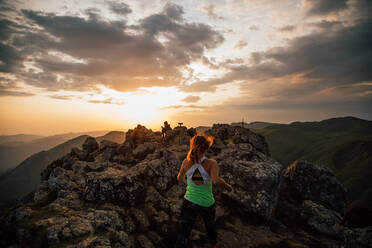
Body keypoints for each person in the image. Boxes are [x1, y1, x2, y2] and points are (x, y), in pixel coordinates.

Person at [175, 133, 233, 248]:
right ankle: (213, 245)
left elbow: (179, 178)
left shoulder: (186, 162)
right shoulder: (212, 163)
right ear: (206, 147)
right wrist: (228, 187)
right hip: (206, 203)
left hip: (189, 201)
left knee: (184, 231)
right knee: (210, 226)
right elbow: (216, 181)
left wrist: (188, 175)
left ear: (192, 145)